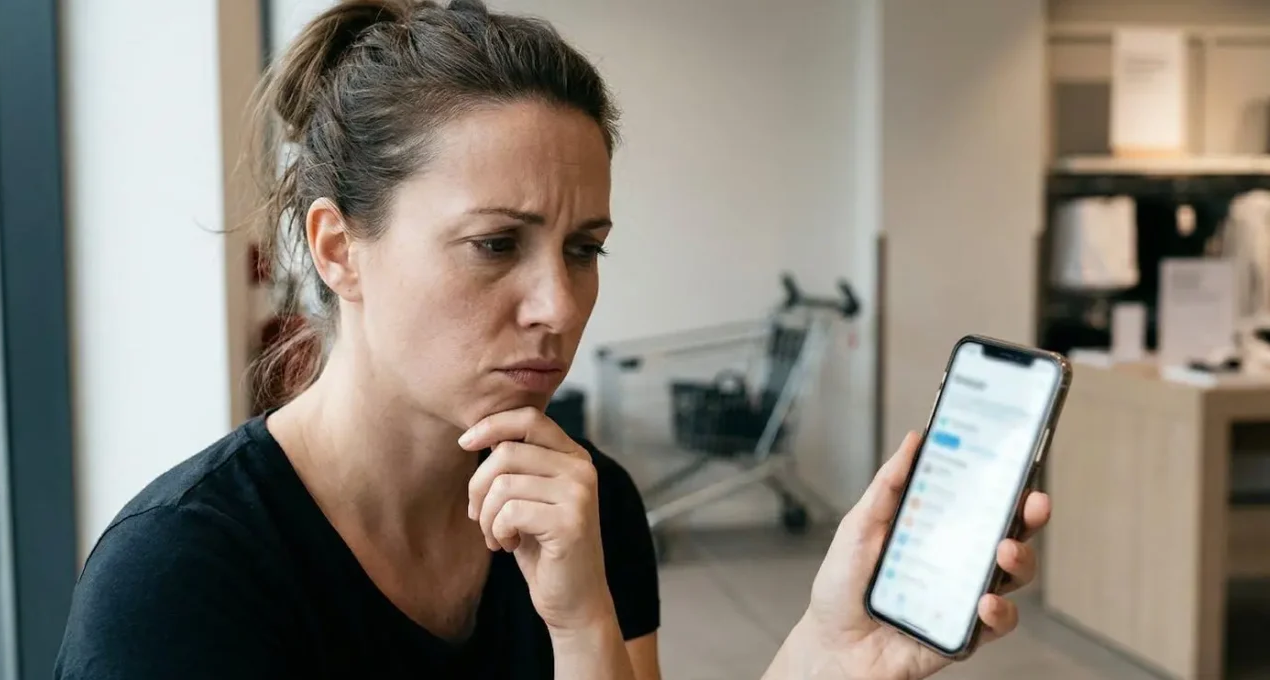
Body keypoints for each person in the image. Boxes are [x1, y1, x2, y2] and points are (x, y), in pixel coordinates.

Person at [53, 1, 1050, 678]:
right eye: (496, 243)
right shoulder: (181, 580)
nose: (559, 304)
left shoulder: (592, 504)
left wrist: (824, 651)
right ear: (338, 246)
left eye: (585, 247)